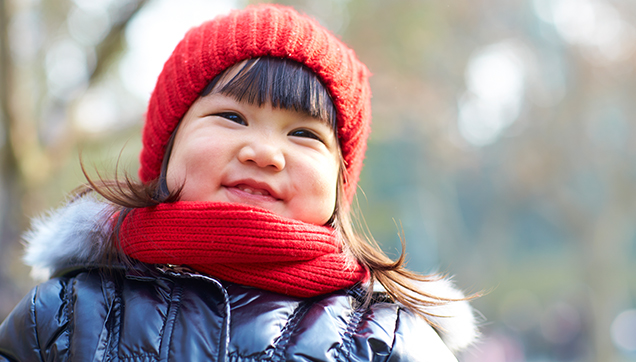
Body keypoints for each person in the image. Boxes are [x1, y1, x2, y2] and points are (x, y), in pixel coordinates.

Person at [0, 4, 479, 361]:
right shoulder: (67, 311)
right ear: (167, 146)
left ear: (339, 180)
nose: (266, 152)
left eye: (304, 134)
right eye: (232, 116)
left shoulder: (388, 339)